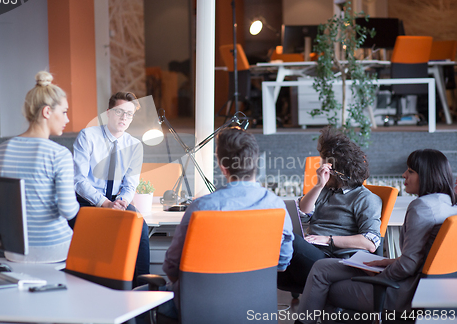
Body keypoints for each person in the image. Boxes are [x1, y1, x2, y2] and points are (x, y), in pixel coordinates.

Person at [295, 149, 457, 323]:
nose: (403, 175)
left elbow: (408, 265)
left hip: (403, 292)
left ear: (427, 175)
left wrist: (377, 276)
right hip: (437, 290)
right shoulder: (448, 204)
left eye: (410, 171)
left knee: (326, 287)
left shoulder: (421, 207)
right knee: (322, 268)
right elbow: (423, 258)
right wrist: (388, 261)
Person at [156, 127, 294, 319]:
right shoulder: (277, 206)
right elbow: (282, 263)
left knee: (137, 298)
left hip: (198, 308)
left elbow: (171, 268)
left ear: (222, 166)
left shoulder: (201, 207)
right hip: (256, 308)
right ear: (256, 162)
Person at [0, 71, 79, 263]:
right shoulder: (59, 154)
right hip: (56, 250)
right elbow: (68, 210)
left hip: (14, 251)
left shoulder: (1, 150)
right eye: (64, 112)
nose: (67, 119)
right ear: (47, 112)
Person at [278, 126, 382, 289]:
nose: (319, 169)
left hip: (333, 259)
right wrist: (319, 185)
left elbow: (370, 242)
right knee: (275, 245)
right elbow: (302, 214)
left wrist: (328, 239)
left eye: (323, 164)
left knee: (292, 241)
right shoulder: (325, 190)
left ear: (336, 171)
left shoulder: (365, 198)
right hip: (313, 252)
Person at [72, 91, 149, 284]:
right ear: (108, 112)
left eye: (129, 114)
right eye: (119, 111)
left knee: (140, 229)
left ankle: (141, 289)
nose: (124, 117)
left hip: (117, 201)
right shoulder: (88, 136)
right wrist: (104, 203)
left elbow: (130, 184)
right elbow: (79, 180)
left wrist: (121, 203)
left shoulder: (135, 145)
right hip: (86, 199)